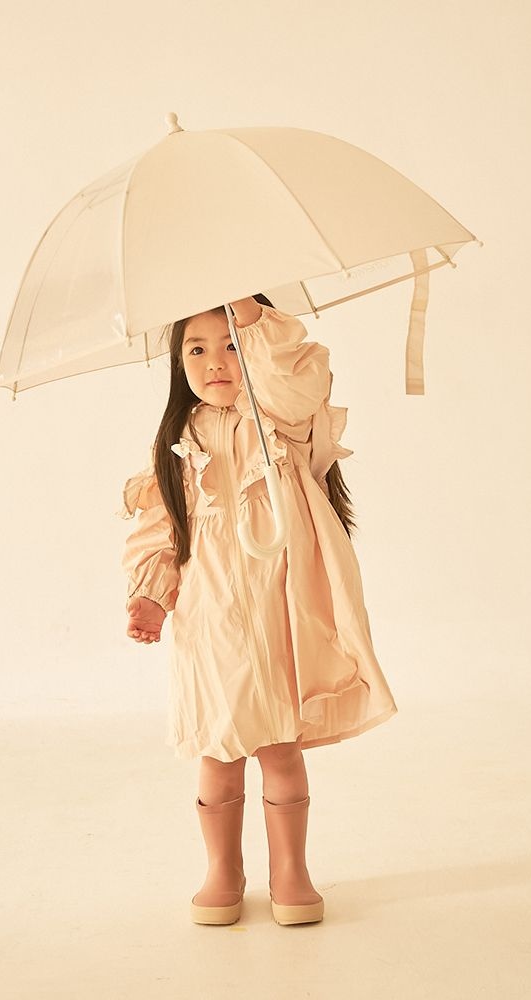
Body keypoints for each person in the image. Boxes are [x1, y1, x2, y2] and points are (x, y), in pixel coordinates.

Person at [117, 293, 397, 926]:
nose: (216, 361)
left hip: (282, 607)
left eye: (232, 345)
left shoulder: (282, 418)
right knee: (218, 749)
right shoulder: (179, 444)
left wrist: (246, 307)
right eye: (197, 349)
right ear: (178, 362)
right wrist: (150, 595)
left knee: (280, 744)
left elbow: (293, 374)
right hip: (210, 618)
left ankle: (290, 871)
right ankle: (224, 869)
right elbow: (162, 530)